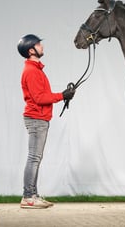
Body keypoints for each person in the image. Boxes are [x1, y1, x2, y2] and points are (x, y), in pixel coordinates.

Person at [17, 34, 75, 209]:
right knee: (34, 157)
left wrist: (62, 95)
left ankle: (32, 195)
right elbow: (40, 98)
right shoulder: (32, 71)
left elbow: (41, 96)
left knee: (36, 157)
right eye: (38, 44)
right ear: (31, 50)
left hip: (39, 118)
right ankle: (28, 197)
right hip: (36, 119)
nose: (42, 46)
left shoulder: (35, 69)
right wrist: (62, 96)